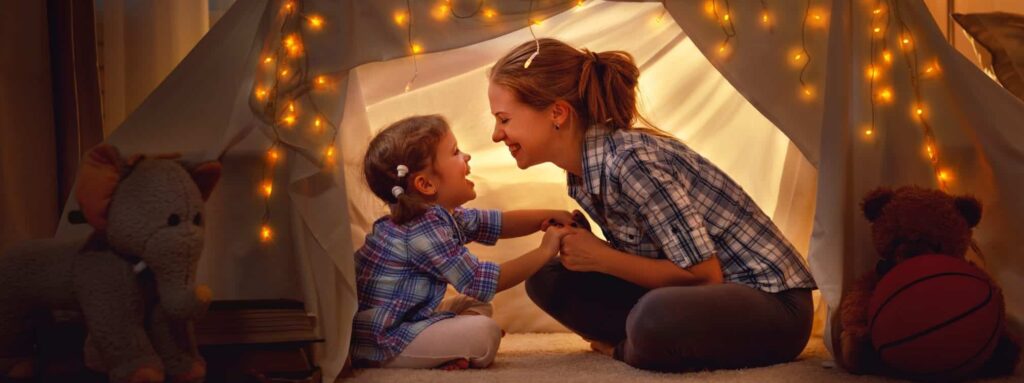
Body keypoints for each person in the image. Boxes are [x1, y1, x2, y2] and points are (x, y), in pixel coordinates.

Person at [487, 38, 818, 372]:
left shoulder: (632, 162)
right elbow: (656, 258)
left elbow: (704, 276)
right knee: (546, 276)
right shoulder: (583, 173)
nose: (496, 135)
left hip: (772, 305)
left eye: (504, 119)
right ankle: (645, 342)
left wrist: (602, 257)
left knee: (654, 317)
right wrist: (589, 250)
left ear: (557, 113)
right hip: (699, 299)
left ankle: (627, 348)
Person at [351, 114, 575, 370]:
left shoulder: (438, 216)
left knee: (475, 305)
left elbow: (497, 223)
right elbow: (481, 281)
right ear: (426, 184)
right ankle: (452, 346)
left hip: (407, 317)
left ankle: (450, 347)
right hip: (384, 339)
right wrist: (546, 251)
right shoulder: (421, 230)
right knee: (485, 333)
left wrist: (550, 215)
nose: (466, 156)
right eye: (455, 152)